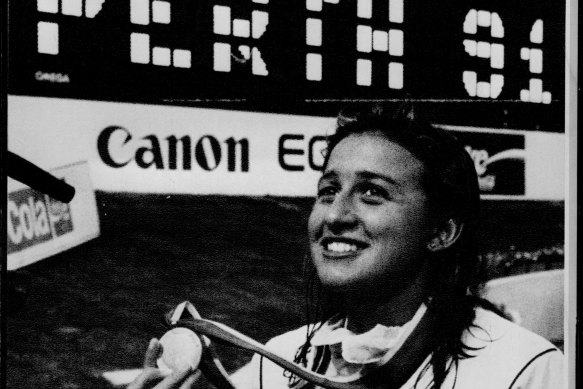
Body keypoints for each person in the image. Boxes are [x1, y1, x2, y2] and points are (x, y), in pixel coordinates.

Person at [129, 103, 563, 389]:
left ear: (441, 232)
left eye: (372, 193)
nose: (335, 215)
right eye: (327, 190)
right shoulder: (274, 364)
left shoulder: (526, 369)